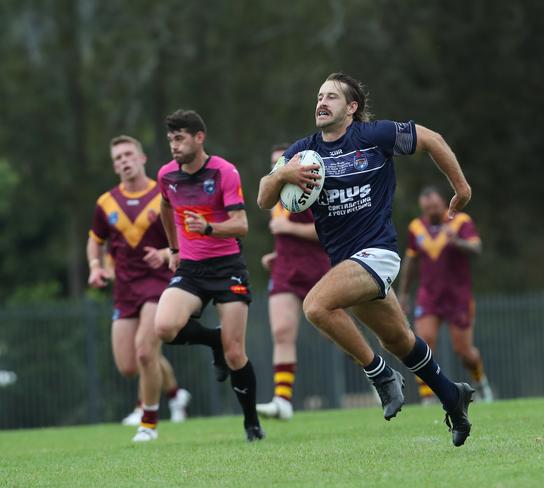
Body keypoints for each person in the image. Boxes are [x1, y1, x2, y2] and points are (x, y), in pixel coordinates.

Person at [257, 73, 474, 447]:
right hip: (347, 263)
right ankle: (452, 396)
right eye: (319, 96)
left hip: (378, 253)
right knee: (398, 339)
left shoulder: (374, 136)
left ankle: (379, 376)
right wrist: (284, 173)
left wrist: (462, 188)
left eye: (332, 97)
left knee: (315, 306)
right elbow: (263, 197)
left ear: (352, 108)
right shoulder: (303, 151)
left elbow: (432, 140)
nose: (321, 103)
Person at [154, 109, 264, 441]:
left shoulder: (224, 172)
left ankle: (251, 423)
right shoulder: (166, 176)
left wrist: (209, 227)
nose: (174, 145)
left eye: (180, 138)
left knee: (235, 354)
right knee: (164, 327)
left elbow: (242, 226)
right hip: (191, 270)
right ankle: (213, 339)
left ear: (199, 138)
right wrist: (173, 250)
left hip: (228, 267)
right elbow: (164, 207)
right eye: (170, 139)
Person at [87, 135, 191, 442]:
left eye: (128, 154)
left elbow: (184, 236)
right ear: (114, 164)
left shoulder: (163, 194)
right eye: (118, 157)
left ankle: (148, 423)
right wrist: (96, 268)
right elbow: (96, 240)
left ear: (142, 158)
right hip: (125, 288)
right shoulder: (106, 203)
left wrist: (164, 254)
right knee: (129, 366)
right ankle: (175, 393)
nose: (124, 160)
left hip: (158, 283)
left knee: (146, 351)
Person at [398, 186, 494, 404]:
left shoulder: (461, 222)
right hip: (429, 296)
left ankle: (481, 383)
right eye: (427, 208)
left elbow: (477, 248)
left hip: (458, 296)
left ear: (443, 202)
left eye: (435, 206)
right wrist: (403, 294)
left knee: (464, 351)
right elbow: (411, 262)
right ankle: (428, 398)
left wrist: (457, 241)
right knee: (422, 344)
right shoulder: (416, 227)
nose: (432, 211)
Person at [256, 144, 330, 420]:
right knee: (282, 332)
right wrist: (275, 255)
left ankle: (376, 375)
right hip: (285, 271)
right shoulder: (275, 198)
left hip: (317, 271)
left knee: (335, 333)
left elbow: (325, 232)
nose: (279, 168)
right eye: (274, 164)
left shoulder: (312, 186)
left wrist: (289, 228)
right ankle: (283, 400)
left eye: (283, 162)